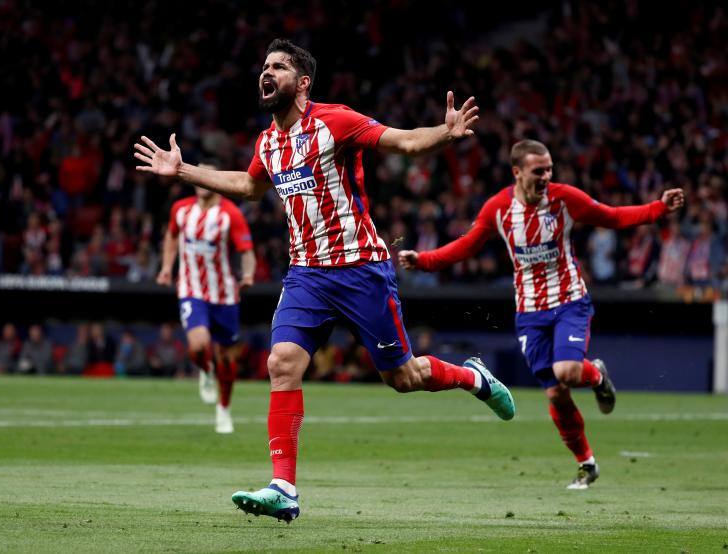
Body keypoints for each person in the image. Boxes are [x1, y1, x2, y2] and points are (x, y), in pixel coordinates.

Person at [135, 38, 515, 522]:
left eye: (278, 66)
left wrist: (444, 133)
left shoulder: (335, 120)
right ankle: (284, 488)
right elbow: (250, 187)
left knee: (402, 378)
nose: (266, 72)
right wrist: (184, 170)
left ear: (302, 82)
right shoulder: (267, 141)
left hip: (361, 269)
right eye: (264, 66)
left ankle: (472, 377)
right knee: (282, 362)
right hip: (306, 276)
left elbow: (403, 140)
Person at [399, 139, 685, 489]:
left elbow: (611, 216)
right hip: (530, 312)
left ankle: (595, 375)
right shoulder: (498, 209)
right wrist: (424, 261)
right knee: (555, 394)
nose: (547, 176)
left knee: (565, 370)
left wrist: (658, 208)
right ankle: (587, 463)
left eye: (549, 168)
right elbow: (466, 245)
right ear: (517, 172)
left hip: (569, 301)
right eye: (539, 170)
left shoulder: (564, 198)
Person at [156, 163, 256, 434]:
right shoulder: (181, 210)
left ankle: (224, 408)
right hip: (191, 289)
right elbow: (171, 237)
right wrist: (166, 267)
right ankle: (204, 369)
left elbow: (246, 250)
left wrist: (248, 274)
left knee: (226, 356)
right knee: (199, 346)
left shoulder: (230, 214)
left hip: (224, 294)